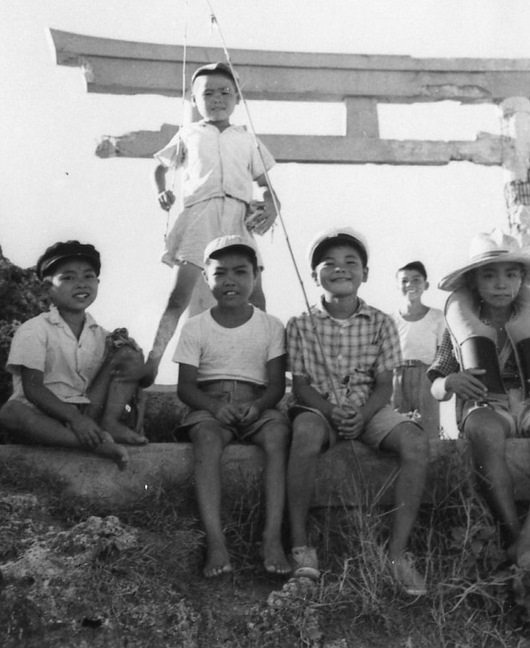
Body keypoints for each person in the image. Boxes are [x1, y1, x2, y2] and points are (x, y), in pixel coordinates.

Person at [285, 227, 429, 595]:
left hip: (369, 408)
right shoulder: (299, 324)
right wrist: (331, 410)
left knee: (415, 442)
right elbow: (301, 385)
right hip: (319, 407)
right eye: (328, 263)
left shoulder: (382, 322)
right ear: (314, 275)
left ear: (365, 273)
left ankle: (396, 555)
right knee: (305, 433)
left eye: (351, 262)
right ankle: (301, 545)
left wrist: (363, 415)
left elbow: (384, 384)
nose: (340, 268)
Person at [428, 230, 530, 567]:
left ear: (522, 280)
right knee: (485, 431)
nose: (500, 284)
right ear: (473, 282)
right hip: (486, 404)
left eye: (511, 274)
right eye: (489, 275)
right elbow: (436, 382)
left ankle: (529, 538)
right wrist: (450, 381)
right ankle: (512, 532)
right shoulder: (460, 322)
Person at [173, 235, 291, 578]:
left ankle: (271, 538)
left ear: (255, 276)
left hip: (258, 404)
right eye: (220, 273)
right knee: (207, 438)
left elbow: (276, 385)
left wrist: (259, 406)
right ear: (206, 278)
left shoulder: (271, 325)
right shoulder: (196, 326)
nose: (230, 281)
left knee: (278, 436)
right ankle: (216, 541)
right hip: (211, 404)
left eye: (240, 272)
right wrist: (214, 406)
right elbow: (185, 387)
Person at [151, 62, 277, 363]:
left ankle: (263, 360)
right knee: (178, 296)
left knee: (255, 294)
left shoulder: (246, 137)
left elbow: (264, 184)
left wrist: (272, 204)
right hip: (200, 213)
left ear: (237, 98)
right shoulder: (188, 133)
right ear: (194, 100)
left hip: (237, 215)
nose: (217, 99)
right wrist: (161, 191)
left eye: (225, 92)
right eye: (208, 93)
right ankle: (153, 360)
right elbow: (160, 168)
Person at [0, 241, 156, 468]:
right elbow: (33, 388)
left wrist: (140, 362)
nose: (81, 283)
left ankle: (109, 425)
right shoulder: (34, 330)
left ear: (98, 283)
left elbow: (142, 378)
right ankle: (95, 444)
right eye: (68, 277)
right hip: (45, 415)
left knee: (126, 353)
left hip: (89, 413)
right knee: (10, 412)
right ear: (46, 287)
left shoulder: (102, 336)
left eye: (88, 276)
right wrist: (74, 419)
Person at [390, 261, 445, 421]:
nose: (410, 285)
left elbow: (442, 353)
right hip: (398, 376)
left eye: (416, 280)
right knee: (398, 424)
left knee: (427, 425)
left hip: (427, 376)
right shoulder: (390, 319)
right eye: (404, 281)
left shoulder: (437, 316)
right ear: (397, 285)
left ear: (426, 285)